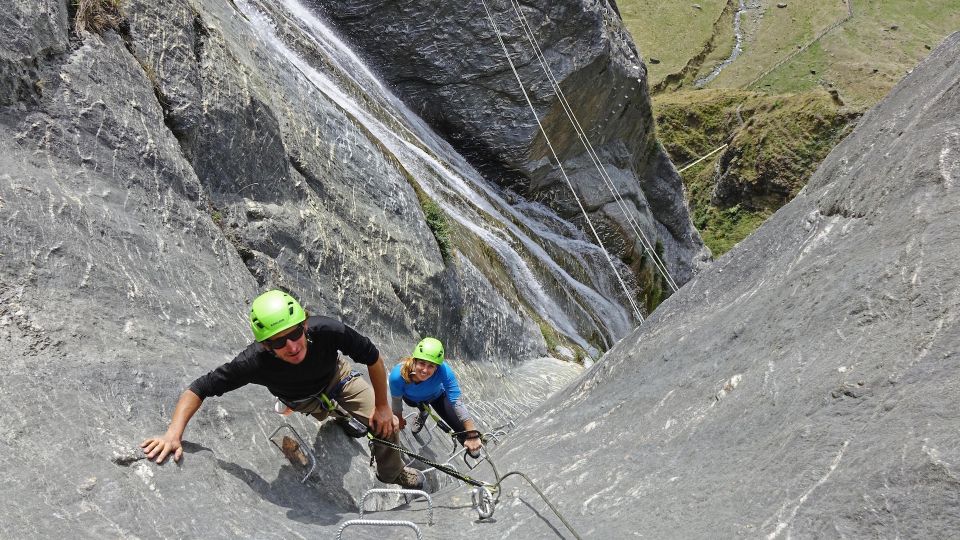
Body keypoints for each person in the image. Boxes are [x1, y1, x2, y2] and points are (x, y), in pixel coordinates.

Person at [141, 289, 423, 489]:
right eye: (278, 342)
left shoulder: (327, 330)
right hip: (302, 399)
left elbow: (372, 357)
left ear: (304, 325)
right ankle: (340, 416)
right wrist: (173, 433)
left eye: (294, 334)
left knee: (386, 427)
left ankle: (392, 473)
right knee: (328, 413)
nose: (291, 346)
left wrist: (384, 409)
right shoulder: (253, 362)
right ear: (265, 345)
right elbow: (200, 388)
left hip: (338, 378)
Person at [389, 337, 483, 457]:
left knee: (464, 432)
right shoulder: (397, 375)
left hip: (437, 397)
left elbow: (456, 402)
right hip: (413, 399)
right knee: (413, 403)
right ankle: (423, 412)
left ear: (437, 367)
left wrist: (472, 434)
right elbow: (396, 401)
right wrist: (399, 418)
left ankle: (474, 452)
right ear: (414, 361)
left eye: (431, 366)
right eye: (422, 363)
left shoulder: (444, 371)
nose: (424, 370)